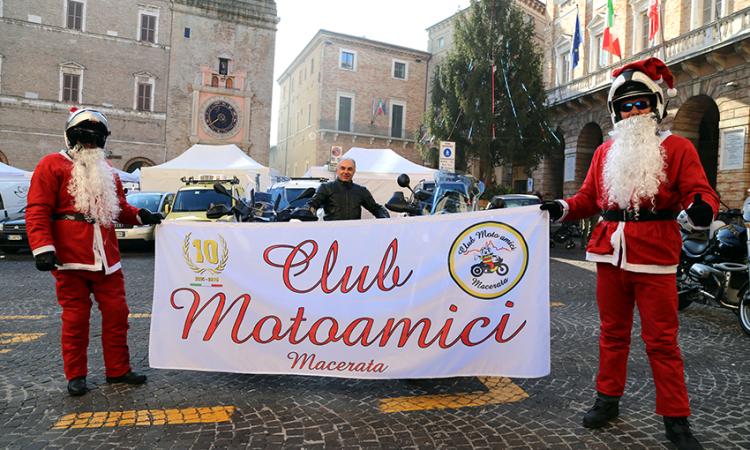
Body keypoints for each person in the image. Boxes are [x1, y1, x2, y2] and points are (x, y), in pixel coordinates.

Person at [540, 58, 716, 450]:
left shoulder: (678, 147)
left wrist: (702, 207)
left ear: (656, 105)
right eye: (626, 105)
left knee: (662, 341)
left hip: (656, 253)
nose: (634, 111)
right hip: (609, 253)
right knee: (612, 335)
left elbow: (700, 191)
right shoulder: (604, 153)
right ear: (615, 111)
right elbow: (588, 198)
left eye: (641, 103)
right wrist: (562, 208)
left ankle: (676, 419)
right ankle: (607, 400)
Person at [26, 108, 163, 396]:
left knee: (118, 314)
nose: (90, 144)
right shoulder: (50, 165)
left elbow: (120, 209)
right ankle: (76, 375)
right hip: (69, 258)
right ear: (72, 137)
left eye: (95, 139)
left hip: (107, 259)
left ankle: (118, 370)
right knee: (75, 318)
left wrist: (141, 216)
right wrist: (42, 248)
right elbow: (38, 209)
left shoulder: (108, 173)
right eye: (85, 138)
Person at [306, 158, 390, 221]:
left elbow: (375, 208)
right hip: (331, 235)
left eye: (349, 169)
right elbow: (313, 204)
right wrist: (306, 212)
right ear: (337, 170)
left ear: (354, 171)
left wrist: (385, 218)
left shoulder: (361, 191)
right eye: (343, 168)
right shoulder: (326, 188)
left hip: (354, 235)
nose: (346, 172)